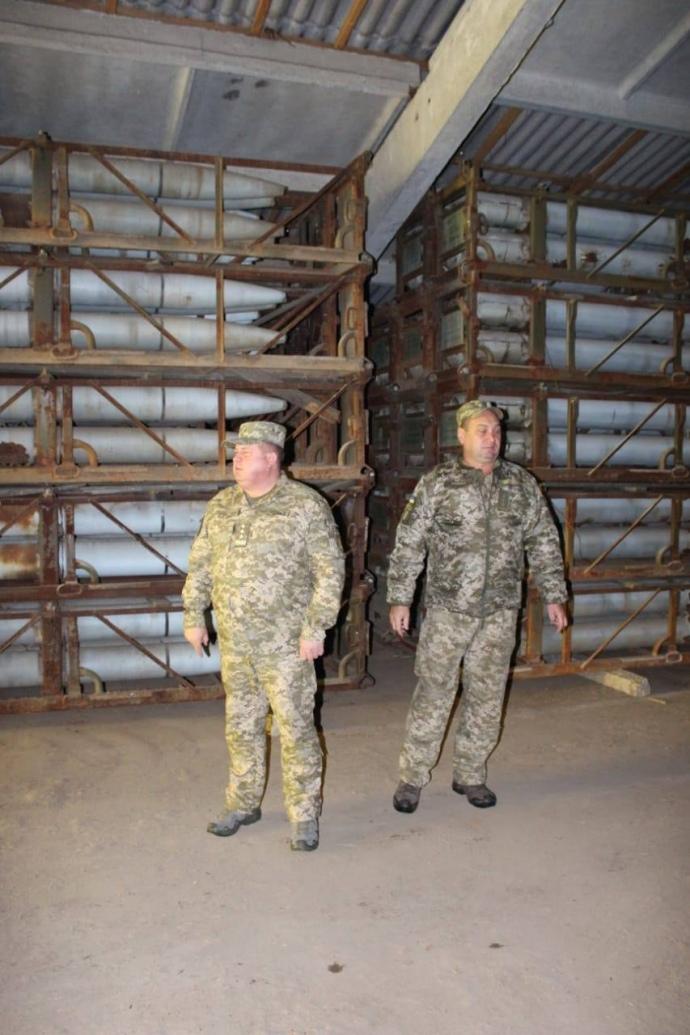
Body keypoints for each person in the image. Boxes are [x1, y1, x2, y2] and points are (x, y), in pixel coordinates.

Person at [387, 400, 568, 814]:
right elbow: (410, 543)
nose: (492, 439)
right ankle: (412, 776)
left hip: (500, 611)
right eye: (482, 431)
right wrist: (400, 598)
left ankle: (470, 774)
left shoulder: (520, 484)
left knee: (487, 696)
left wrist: (554, 594)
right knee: (434, 692)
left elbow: (543, 540)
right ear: (462, 435)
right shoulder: (438, 483)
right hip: (448, 610)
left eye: (497, 432)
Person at [183, 420, 344, 851]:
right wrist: (194, 615)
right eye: (235, 452)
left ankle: (304, 815)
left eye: (245, 452)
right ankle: (242, 803)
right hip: (237, 644)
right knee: (241, 726)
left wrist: (316, 628)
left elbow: (330, 572)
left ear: (271, 457)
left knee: (295, 730)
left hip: (287, 647)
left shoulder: (305, 506)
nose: (235, 459)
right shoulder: (222, 505)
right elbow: (200, 563)